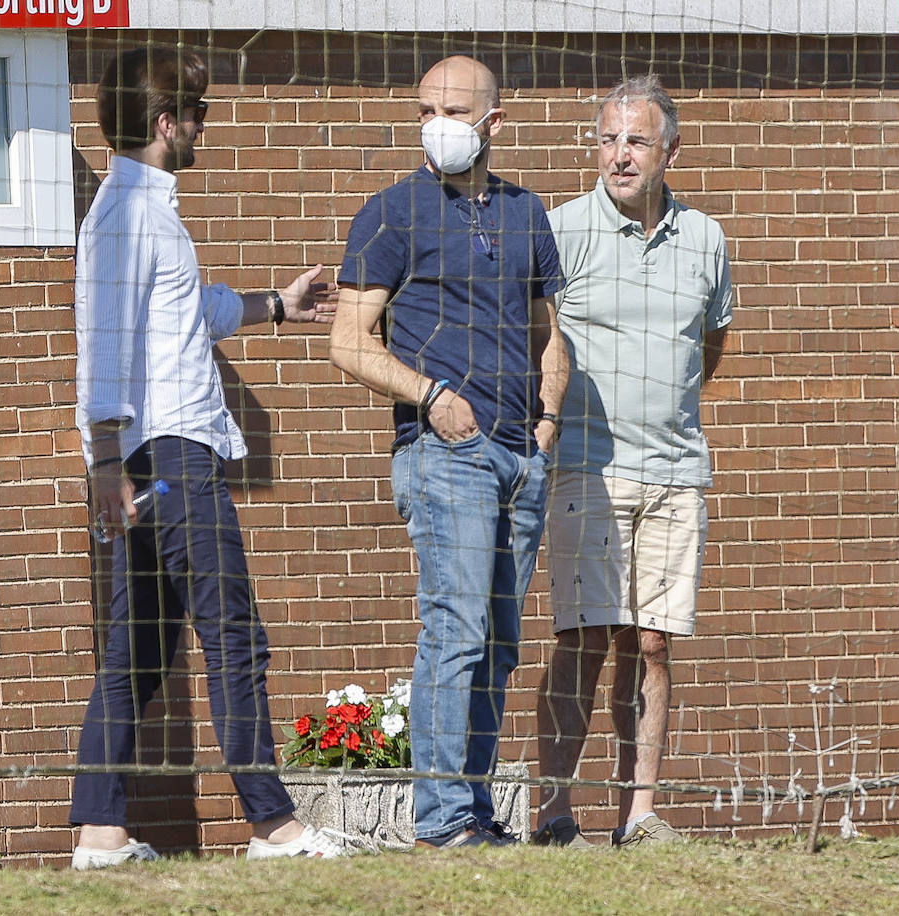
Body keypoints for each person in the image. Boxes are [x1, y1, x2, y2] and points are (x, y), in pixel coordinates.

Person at [69, 46, 341, 868]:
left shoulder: (143, 213)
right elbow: (103, 346)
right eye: (198, 113)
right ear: (165, 123)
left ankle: (100, 833)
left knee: (141, 649)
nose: (201, 127)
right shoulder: (130, 213)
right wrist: (108, 463)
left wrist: (276, 307)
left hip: (156, 456)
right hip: (171, 459)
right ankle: (273, 825)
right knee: (234, 636)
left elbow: (185, 314)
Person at [329, 55, 568, 850]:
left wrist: (548, 424)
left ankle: (476, 813)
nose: (438, 125)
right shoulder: (391, 214)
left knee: (499, 643)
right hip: (444, 455)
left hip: (519, 457)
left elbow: (549, 337)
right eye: (426, 109)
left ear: (494, 124)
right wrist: (430, 396)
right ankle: (440, 822)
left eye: (455, 111)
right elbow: (347, 343)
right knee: (456, 630)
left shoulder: (528, 214)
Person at [534, 74, 735, 849]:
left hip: (678, 471)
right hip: (586, 466)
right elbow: (537, 341)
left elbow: (708, 347)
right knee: (584, 635)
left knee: (651, 641)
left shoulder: (707, 239)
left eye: (637, 141)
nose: (620, 156)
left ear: (671, 150)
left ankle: (639, 813)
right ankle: (554, 812)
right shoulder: (561, 231)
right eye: (609, 139)